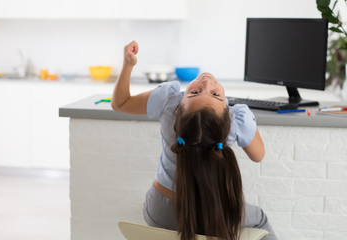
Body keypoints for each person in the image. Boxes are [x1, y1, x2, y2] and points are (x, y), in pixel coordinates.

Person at [112, 41, 277, 240]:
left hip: (159, 212)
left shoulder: (168, 102)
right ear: (227, 116)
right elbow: (259, 156)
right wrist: (247, 125)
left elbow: (120, 103)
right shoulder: (236, 121)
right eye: (211, 94)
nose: (207, 83)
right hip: (215, 214)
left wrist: (128, 64)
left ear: (179, 108)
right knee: (260, 219)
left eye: (199, 92)